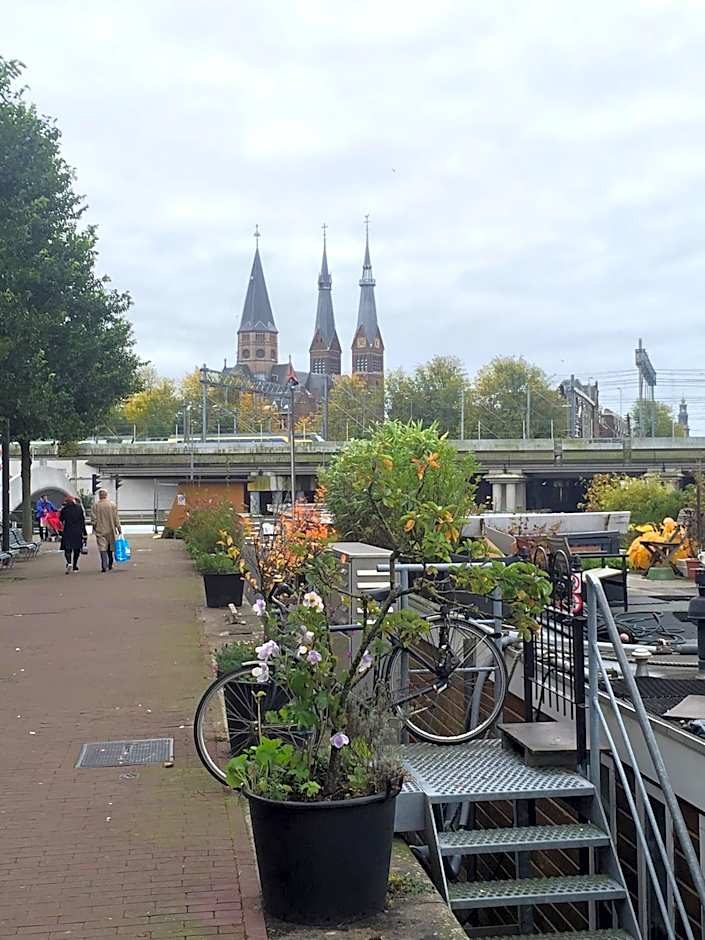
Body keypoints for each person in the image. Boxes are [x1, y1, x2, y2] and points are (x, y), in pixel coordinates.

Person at [91, 489, 121, 572]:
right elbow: (116, 518)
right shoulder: (112, 505)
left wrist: (94, 527)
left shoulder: (95, 506)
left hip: (100, 530)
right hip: (110, 529)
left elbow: (94, 519)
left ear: (99, 496)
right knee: (110, 548)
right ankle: (110, 564)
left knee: (102, 548)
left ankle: (104, 565)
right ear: (106, 495)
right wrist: (119, 528)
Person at [59, 495, 87, 573]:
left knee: (67, 548)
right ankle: (75, 566)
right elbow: (82, 521)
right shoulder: (79, 508)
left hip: (68, 530)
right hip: (78, 531)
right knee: (76, 549)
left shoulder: (65, 509)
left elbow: (61, 519)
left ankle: (69, 562)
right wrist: (84, 532)